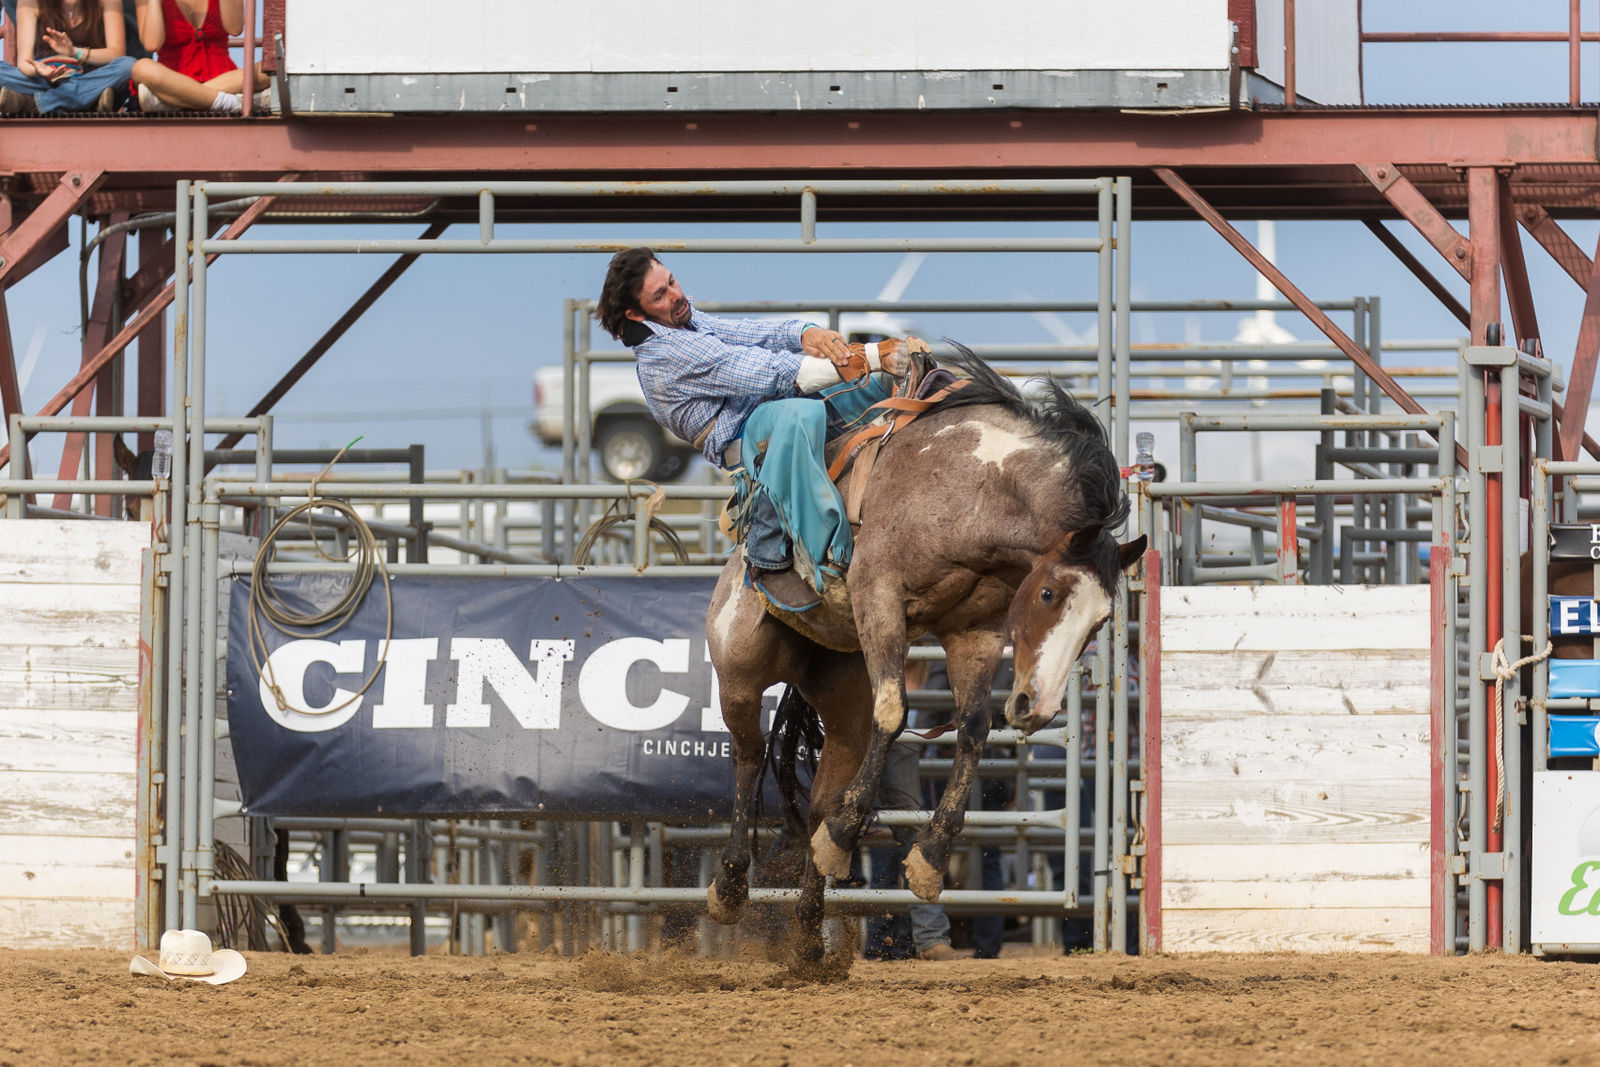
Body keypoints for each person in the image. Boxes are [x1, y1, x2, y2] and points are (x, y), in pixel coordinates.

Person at [594, 247, 917, 612]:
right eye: (660, 295)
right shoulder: (665, 352)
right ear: (636, 314)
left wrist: (804, 333)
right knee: (800, 413)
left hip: (770, 409)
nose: (676, 294)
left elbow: (748, 332)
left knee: (874, 385)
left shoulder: (683, 320)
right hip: (746, 439)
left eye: (671, 282)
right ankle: (768, 550)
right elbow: (767, 372)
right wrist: (870, 357)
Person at [865, 659, 960, 961]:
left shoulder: (922, 668)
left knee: (911, 827)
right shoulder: (925, 668)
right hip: (853, 723)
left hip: (892, 730)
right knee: (822, 818)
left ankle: (929, 936)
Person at [129, 0, 267, 114]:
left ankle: (176, 100)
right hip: (171, 78)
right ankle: (229, 102)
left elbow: (235, 28)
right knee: (141, 67)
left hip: (223, 78)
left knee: (268, 68)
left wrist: (177, 92)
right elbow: (152, 44)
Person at [0, 0, 134, 115]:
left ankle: (34, 103)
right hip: (45, 79)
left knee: (128, 66)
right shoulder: (30, 2)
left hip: (88, 77)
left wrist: (75, 52)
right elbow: (24, 63)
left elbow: (117, 53)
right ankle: (86, 102)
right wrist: (39, 70)